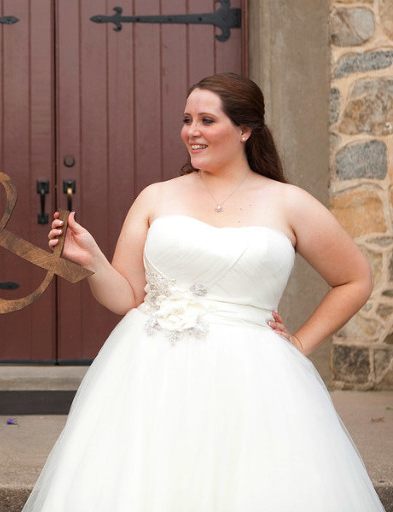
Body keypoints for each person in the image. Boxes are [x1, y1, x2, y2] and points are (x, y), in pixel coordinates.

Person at [23, 73, 384, 511]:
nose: (191, 132)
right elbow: (124, 297)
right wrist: (92, 260)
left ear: (245, 129)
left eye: (207, 120)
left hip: (255, 379)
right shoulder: (156, 197)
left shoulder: (289, 203)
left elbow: (355, 278)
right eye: (187, 119)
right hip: (150, 374)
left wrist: (299, 344)